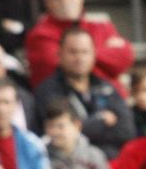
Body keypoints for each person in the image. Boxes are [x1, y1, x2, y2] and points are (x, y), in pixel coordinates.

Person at [32, 27, 134, 160]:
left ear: (93, 55)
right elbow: (61, 133)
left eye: (85, 52)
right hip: (66, 164)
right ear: (60, 54)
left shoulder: (106, 86)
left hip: (109, 164)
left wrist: (82, 126)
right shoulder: (47, 91)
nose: (79, 58)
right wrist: (101, 121)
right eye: (73, 52)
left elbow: (127, 131)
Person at [25, 0, 136, 93]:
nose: (65, 1)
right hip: (63, 101)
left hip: (110, 99)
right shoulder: (39, 34)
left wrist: (78, 56)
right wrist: (104, 54)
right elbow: (68, 70)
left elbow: (125, 57)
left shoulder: (100, 25)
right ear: (47, 2)